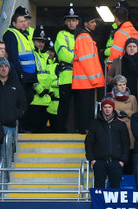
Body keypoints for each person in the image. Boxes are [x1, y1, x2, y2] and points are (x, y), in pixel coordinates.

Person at [0, 57, 27, 171]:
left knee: (5, 157)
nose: (3, 69)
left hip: (9, 127)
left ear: (9, 68)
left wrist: (16, 114)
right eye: (1, 66)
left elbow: (23, 103)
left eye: (6, 66)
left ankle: (4, 183)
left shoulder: (16, 85)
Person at [85, 96, 130, 188]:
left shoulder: (121, 124)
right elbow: (89, 142)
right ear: (102, 108)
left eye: (109, 107)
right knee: (99, 188)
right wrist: (92, 160)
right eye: (105, 107)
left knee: (115, 189)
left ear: (113, 108)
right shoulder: (94, 123)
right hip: (99, 162)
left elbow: (126, 143)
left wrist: (122, 160)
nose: (107, 109)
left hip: (116, 162)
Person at [72, 11, 105, 134]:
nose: (95, 24)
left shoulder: (84, 37)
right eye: (92, 22)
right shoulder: (84, 38)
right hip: (86, 81)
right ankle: (84, 128)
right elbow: (87, 61)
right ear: (85, 24)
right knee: (85, 107)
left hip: (85, 81)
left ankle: (82, 127)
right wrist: (95, 79)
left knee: (84, 107)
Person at [2, 6, 37, 102]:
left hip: (28, 76)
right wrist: (20, 74)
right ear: (14, 23)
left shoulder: (24, 34)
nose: (25, 24)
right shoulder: (11, 34)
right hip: (21, 77)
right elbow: (13, 57)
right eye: (22, 21)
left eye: (24, 21)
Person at [54, 4, 79, 133]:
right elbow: (62, 53)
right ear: (65, 21)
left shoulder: (81, 34)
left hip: (79, 78)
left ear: (78, 21)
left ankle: (76, 129)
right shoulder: (61, 35)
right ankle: (60, 131)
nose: (71, 22)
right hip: (66, 76)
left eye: (74, 20)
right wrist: (79, 61)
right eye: (69, 20)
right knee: (64, 106)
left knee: (78, 106)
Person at [110, 74, 138, 172]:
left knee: (130, 153)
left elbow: (136, 113)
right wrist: (118, 113)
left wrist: (126, 113)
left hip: (129, 127)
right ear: (115, 86)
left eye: (124, 84)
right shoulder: (110, 98)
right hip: (116, 127)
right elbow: (108, 111)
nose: (123, 87)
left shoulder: (132, 98)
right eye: (120, 85)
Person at [29, 27, 52, 133]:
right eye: (38, 41)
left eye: (43, 41)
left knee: (41, 130)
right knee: (33, 129)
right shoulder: (32, 55)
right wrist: (39, 90)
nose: (41, 44)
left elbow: (48, 76)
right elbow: (31, 75)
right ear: (33, 41)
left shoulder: (45, 57)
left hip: (45, 100)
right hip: (35, 99)